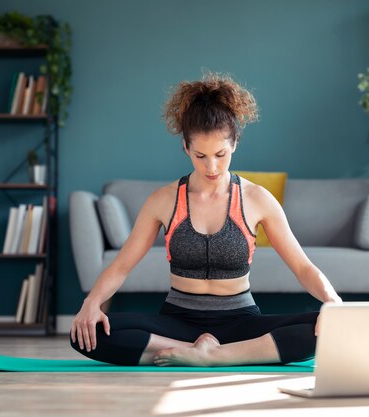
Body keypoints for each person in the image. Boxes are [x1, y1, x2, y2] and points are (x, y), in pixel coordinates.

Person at [70, 73, 342, 367]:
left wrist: (333, 301)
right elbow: (122, 266)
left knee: (325, 326)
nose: (211, 166)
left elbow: (302, 267)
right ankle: (196, 349)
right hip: (177, 321)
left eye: (220, 154)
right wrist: (90, 304)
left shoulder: (257, 199)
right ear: (185, 148)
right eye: (200, 155)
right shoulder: (163, 200)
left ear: (235, 143)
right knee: (87, 332)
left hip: (240, 322)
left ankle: (213, 355)